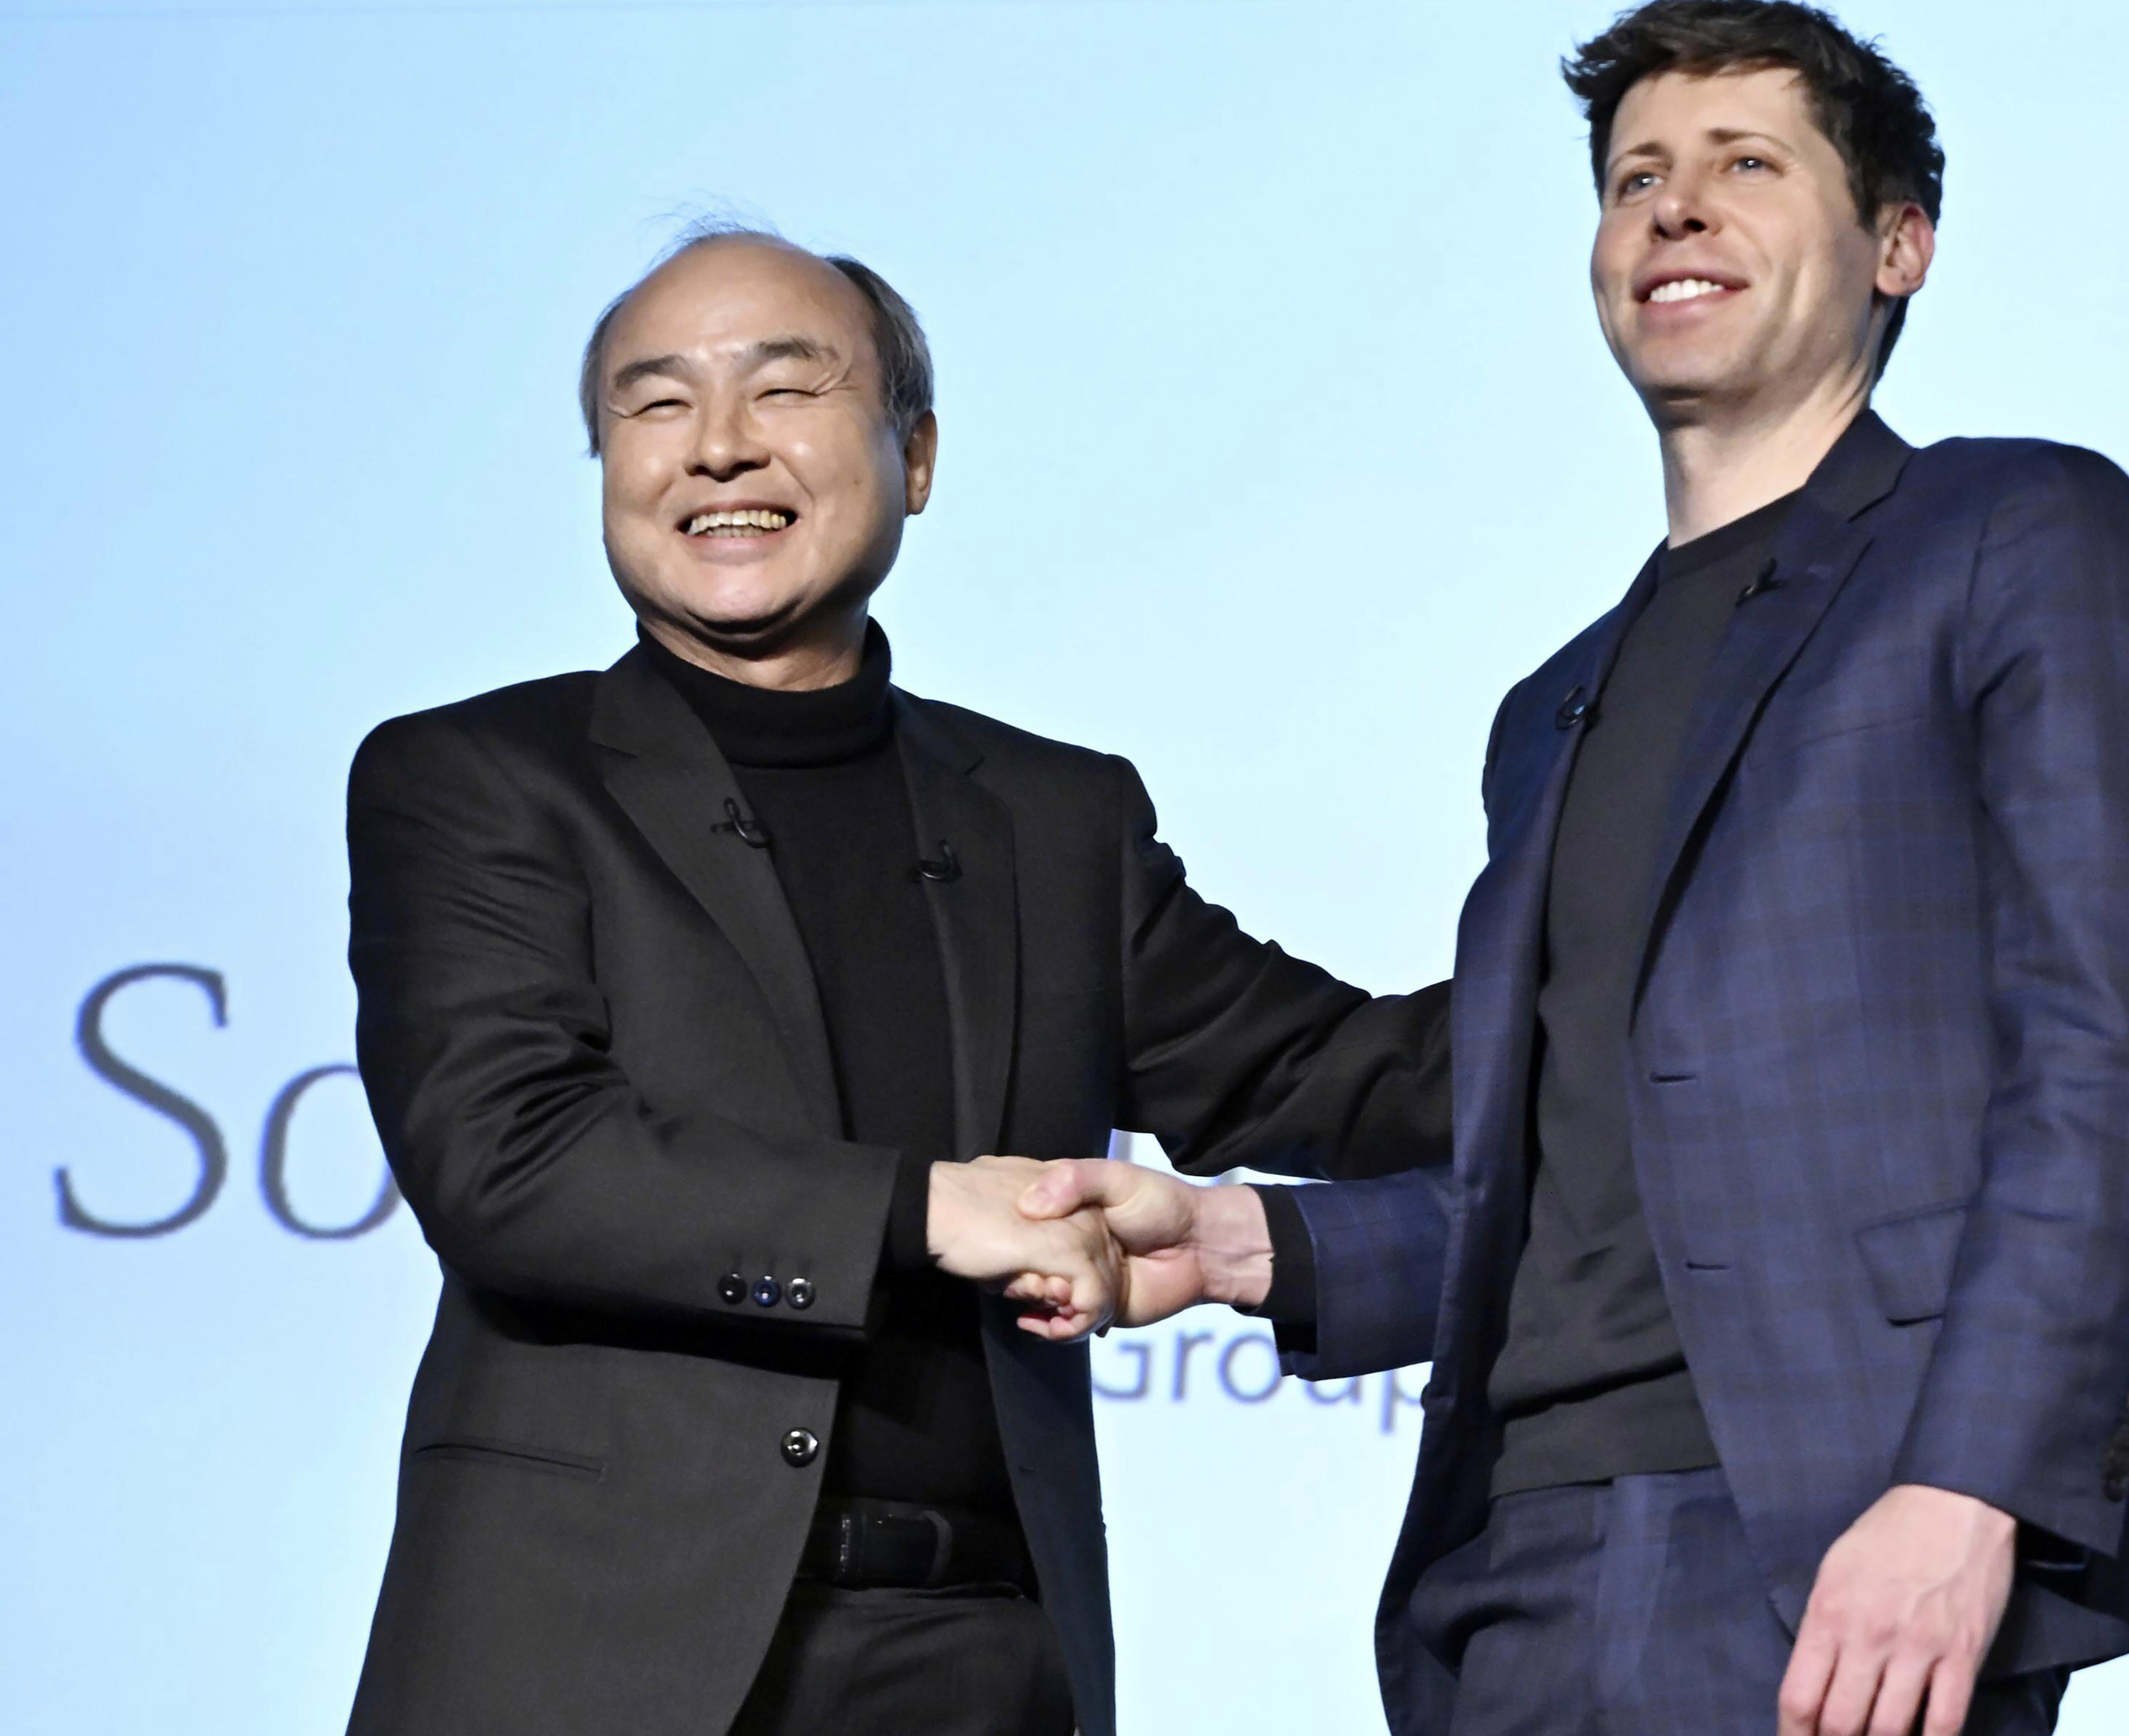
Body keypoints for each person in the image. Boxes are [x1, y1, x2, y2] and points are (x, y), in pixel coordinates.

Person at [1026, 0, 2129, 1736]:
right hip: (1516, 1562)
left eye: (1747, 164)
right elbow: (1586, 1172)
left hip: (1833, 1553)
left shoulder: (2014, 534)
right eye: (1637, 173)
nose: (1675, 206)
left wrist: (1974, 1488)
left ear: (1899, 246)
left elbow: (2105, 1049)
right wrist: (1242, 1249)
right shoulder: (1552, 707)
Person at [340, 226, 1447, 1736]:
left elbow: (1346, 1076)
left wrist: (1644, 966)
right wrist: (935, 1209)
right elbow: (510, 1158)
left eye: (784, 390)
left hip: (983, 1656)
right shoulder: (479, 779)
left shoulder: (1055, 819)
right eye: (655, 407)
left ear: (913, 455)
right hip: (596, 1656)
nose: (719, 448)